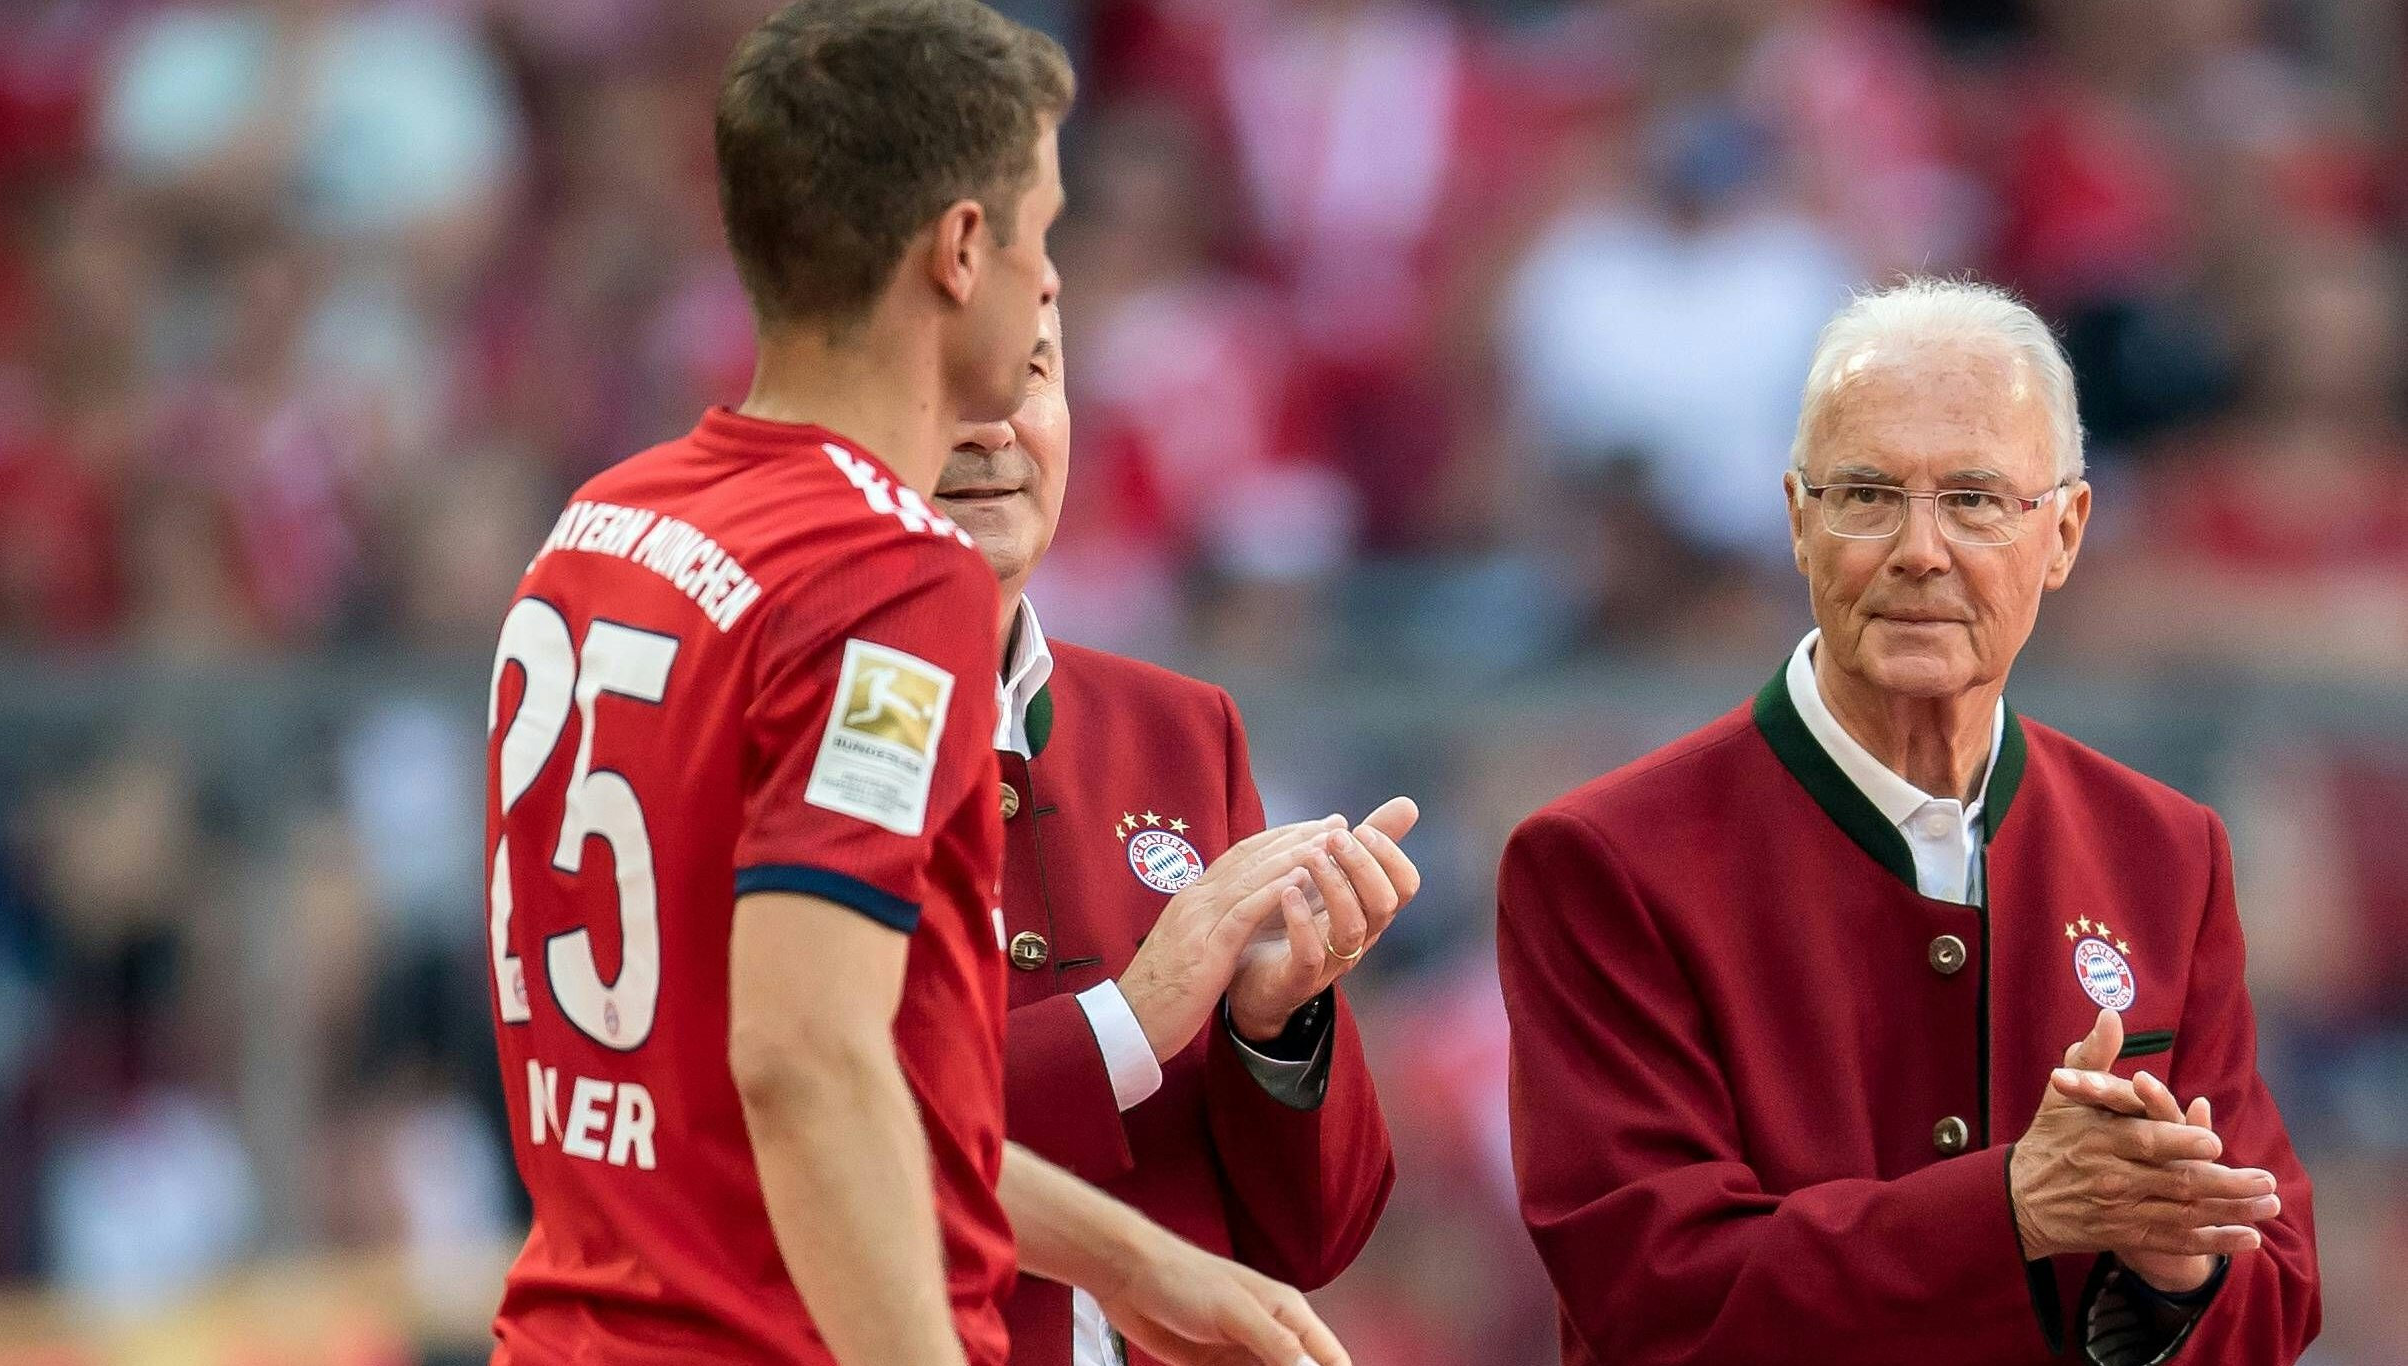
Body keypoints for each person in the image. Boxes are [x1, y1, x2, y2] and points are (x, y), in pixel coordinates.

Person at [483, 6, 1347, 1365]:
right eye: (1042, 229)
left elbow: (779, 1078)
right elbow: (814, 1065)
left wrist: (1137, 1261)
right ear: (961, 252)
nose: (1054, 274)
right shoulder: (883, 574)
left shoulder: (603, 527)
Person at [1497, 277, 2320, 1366]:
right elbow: (1655, 1300)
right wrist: (2012, 1206)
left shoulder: (2165, 850)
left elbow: (2278, 1280)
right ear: (1797, 522)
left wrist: (2176, 1272)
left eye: (1975, 499)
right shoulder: (1605, 860)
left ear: (2064, 532)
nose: (1919, 550)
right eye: (1868, 496)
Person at [931, 297, 1412, 1366]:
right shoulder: (780, 731)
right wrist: (1128, 1021)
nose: (996, 426)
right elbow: (818, 1135)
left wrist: (1274, 1025)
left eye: (1032, 376)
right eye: (944, 384)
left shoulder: (1183, 726)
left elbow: (1318, 1232)